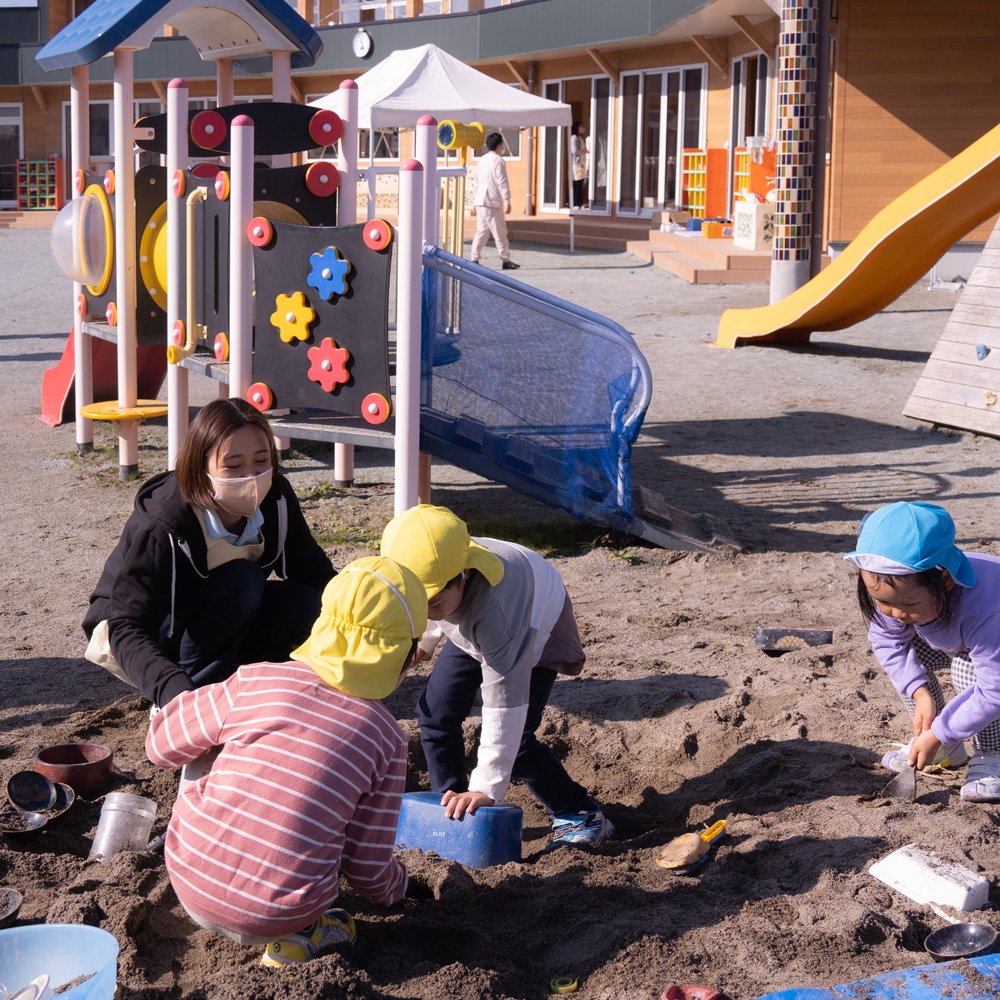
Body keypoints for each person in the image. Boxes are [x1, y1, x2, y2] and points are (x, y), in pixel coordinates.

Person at [145, 555, 427, 966]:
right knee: (331, 810)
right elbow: (366, 868)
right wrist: (399, 889)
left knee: (208, 739)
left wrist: (192, 714)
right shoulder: (387, 739)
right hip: (282, 914)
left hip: (187, 877)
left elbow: (160, 747)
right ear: (408, 656)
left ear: (322, 625)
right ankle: (303, 936)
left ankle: (216, 854)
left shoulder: (257, 679)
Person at [380, 504, 614, 849]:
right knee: (434, 715)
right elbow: (423, 601)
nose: (425, 608)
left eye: (433, 600)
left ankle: (579, 811)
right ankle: (452, 807)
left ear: (464, 574)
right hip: (472, 623)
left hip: (532, 628)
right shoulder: (436, 586)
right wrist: (425, 642)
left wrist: (487, 787)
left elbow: (505, 703)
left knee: (517, 739)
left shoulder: (497, 615)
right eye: (419, 601)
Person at [83, 398, 335, 709]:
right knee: (243, 580)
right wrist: (172, 691)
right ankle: (196, 698)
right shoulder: (164, 523)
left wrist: (370, 620)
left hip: (215, 611)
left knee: (306, 604)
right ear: (202, 467)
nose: (251, 476)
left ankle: (246, 685)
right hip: (144, 633)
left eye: (261, 460)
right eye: (232, 465)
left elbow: (314, 573)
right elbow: (126, 625)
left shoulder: (277, 498)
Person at [845, 500, 1000, 801]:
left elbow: (995, 690)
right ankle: (948, 748)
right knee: (907, 661)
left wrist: (941, 729)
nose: (895, 613)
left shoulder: (982, 610)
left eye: (909, 605)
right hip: (957, 640)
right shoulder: (899, 599)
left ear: (944, 581)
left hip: (992, 645)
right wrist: (920, 694)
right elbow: (889, 643)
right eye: (881, 601)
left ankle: (992, 755)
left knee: (966, 669)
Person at [470, 132, 519, 271]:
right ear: (499, 146)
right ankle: (505, 259)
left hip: (480, 199)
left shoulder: (482, 159)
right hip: (492, 200)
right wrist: (507, 199)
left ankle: (474, 257)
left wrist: (475, 200)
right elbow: (501, 181)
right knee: (500, 232)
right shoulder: (498, 160)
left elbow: (476, 181)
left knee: (481, 231)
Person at [570, 120, 589, 209]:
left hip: (581, 164)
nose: (583, 128)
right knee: (576, 184)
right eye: (581, 126)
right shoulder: (574, 137)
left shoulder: (580, 137)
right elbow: (574, 150)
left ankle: (580, 203)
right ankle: (575, 203)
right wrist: (584, 151)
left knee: (580, 184)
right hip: (576, 164)